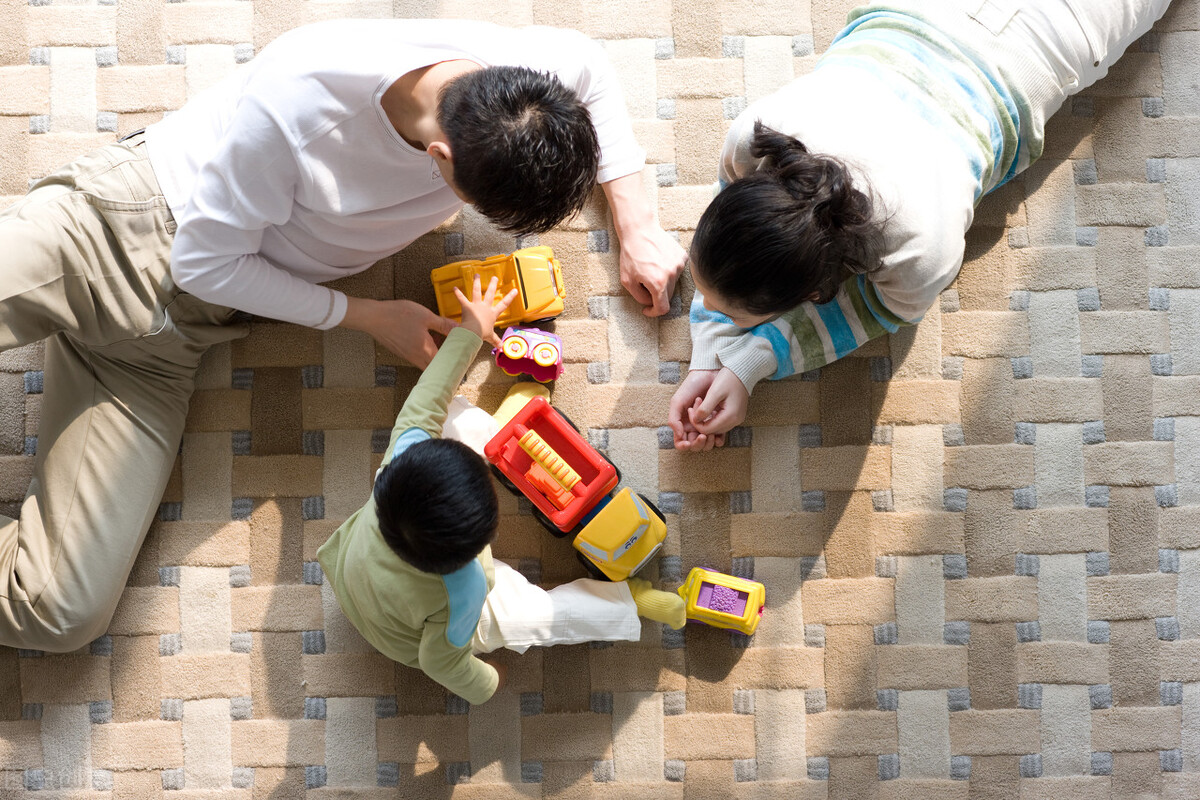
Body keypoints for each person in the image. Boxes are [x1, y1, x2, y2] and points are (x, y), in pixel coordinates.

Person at [0, 19, 685, 651]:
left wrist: (639, 225)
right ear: (441, 157)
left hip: (177, 338)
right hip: (116, 229)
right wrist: (363, 314)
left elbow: (591, 65)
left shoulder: (518, 81)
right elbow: (204, 264)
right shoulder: (300, 94)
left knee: (59, 612)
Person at [668, 0, 1172, 451]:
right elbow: (739, 247)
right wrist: (712, 352)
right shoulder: (755, 135)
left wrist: (753, 359)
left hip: (1046, 48)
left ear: (818, 288)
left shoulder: (919, 250)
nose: (703, 304)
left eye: (721, 310)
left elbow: (865, 312)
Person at [316, 275, 686, 704]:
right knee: (531, 618)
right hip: (403, 635)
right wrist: (486, 681)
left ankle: (507, 429)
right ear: (477, 546)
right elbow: (440, 661)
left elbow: (429, 393)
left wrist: (471, 330)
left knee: (443, 412)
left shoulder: (400, 458)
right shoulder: (468, 587)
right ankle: (626, 601)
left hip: (352, 567)